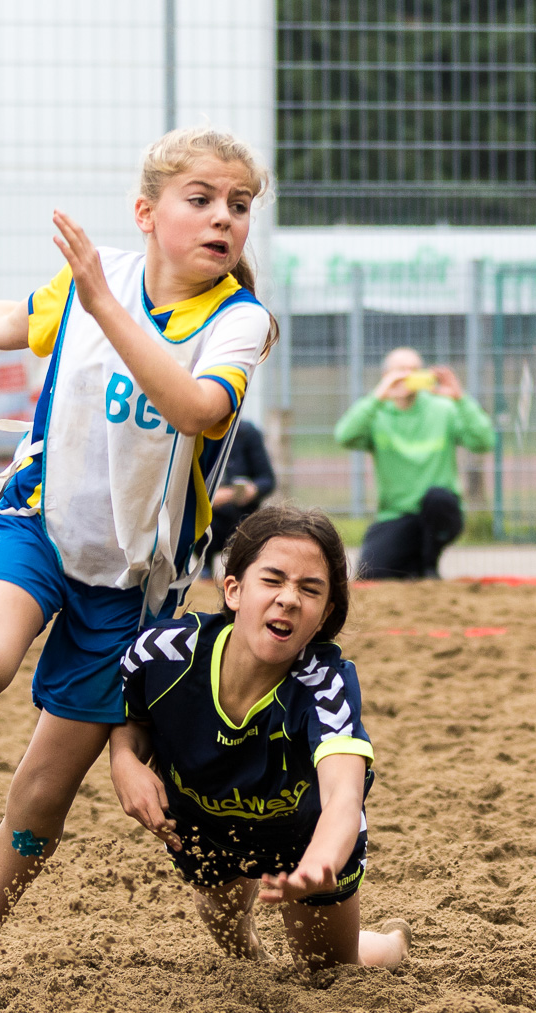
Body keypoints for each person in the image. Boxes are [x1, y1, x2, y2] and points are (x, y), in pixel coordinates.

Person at [0, 127, 275, 974]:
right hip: (40, 520)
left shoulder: (240, 320)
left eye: (238, 205)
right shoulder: (100, 279)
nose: (222, 218)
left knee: (44, 790)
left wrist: (103, 304)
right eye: (200, 199)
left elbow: (198, 409)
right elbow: (16, 323)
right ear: (146, 212)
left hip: (134, 583)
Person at [109, 506, 409, 971]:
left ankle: (392, 944)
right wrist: (124, 760)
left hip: (304, 840)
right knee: (232, 936)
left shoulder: (325, 686)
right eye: (273, 580)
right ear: (234, 590)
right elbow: (129, 717)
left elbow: (344, 797)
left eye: (310, 589)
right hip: (205, 828)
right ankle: (259, 961)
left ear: (325, 614)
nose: (289, 599)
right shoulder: (163, 653)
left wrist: (319, 864)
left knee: (329, 972)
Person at [334, 346, 494, 579]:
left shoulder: (443, 409)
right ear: (386, 376)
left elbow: (484, 441)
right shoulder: (377, 414)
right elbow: (344, 436)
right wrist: (378, 396)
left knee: (438, 499)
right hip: (397, 515)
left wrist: (461, 398)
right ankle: (414, 567)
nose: (407, 376)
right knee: (372, 574)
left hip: (439, 512)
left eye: (414, 370)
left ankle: (429, 566)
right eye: (400, 370)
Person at [203, 417, 275, 573]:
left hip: (241, 517)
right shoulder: (192, 432)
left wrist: (251, 490)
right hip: (206, 520)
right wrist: (209, 499)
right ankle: (205, 570)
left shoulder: (245, 432)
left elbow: (267, 480)